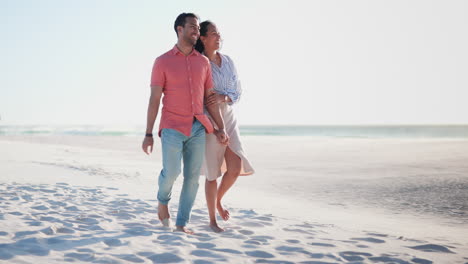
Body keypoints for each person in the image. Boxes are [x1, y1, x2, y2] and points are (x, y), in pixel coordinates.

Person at [142, 13, 229, 235]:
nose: (196, 31)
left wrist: (220, 128)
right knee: (171, 172)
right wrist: (148, 133)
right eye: (192, 27)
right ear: (179, 29)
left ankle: (181, 223)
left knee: (192, 178)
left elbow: (210, 99)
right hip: (172, 125)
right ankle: (163, 201)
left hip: (198, 127)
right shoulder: (162, 61)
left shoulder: (203, 62)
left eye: (198, 28)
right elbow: (154, 99)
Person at [195, 21, 255, 233]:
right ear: (203, 38)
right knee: (212, 173)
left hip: (229, 115)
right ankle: (212, 219)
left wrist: (226, 96)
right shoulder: (200, 63)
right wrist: (215, 126)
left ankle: (218, 200)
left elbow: (237, 90)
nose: (219, 37)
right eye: (213, 34)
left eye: (219, 34)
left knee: (235, 167)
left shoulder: (228, 61)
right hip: (209, 118)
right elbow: (203, 98)